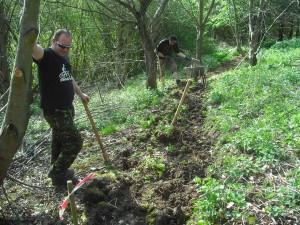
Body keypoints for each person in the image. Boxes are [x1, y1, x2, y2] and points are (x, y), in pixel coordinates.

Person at [32, 29, 89, 187]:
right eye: (62, 46)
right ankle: (57, 172)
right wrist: (31, 31)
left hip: (66, 108)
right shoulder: (46, 56)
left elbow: (69, 78)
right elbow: (32, 47)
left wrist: (80, 94)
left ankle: (57, 176)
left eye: (68, 47)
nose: (65, 49)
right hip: (55, 110)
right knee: (75, 142)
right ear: (53, 41)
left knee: (59, 140)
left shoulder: (64, 59)